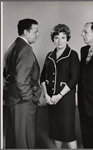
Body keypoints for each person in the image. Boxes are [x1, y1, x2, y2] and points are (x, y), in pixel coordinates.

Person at [3, 18, 42, 148]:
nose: (38, 34)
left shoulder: (11, 46)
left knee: (13, 138)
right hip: (22, 102)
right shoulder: (26, 48)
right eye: (35, 31)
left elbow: (6, 72)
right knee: (24, 140)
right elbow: (21, 79)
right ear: (26, 32)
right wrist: (28, 98)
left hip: (11, 98)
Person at [40, 24, 80, 149]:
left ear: (67, 38)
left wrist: (59, 95)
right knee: (56, 130)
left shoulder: (72, 54)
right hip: (51, 99)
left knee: (67, 131)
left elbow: (74, 79)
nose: (59, 40)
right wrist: (46, 95)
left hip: (65, 99)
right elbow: (42, 78)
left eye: (63, 37)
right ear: (53, 39)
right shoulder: (49, 56)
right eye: (56, 37)